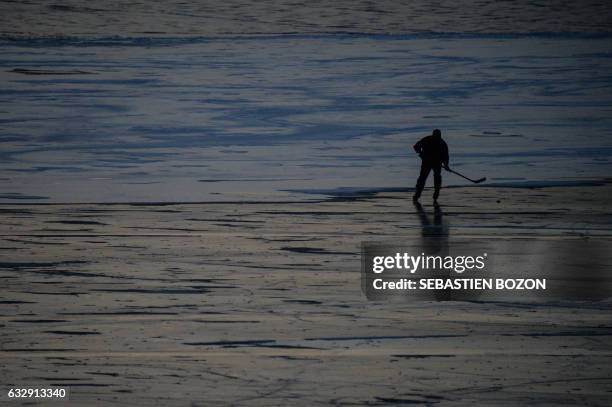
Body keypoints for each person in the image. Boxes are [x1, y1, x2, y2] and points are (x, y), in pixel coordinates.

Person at [412, 129, 450, 203]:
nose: (437, 137)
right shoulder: (427, 139)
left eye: (438, 136)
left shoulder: (442, 143)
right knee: (422, 178)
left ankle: (436, 192)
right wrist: (420, 153)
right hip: (427, 162)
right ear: (433, 135)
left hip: (437, 163)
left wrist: (446, 165)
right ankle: (418, 193)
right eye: (436, 135)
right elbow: (416, 146)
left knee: (437, 176)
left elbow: (446, 155)